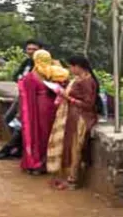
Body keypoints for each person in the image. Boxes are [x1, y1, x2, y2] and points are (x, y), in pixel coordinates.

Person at [47, 55, 102, 190]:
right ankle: (67, 177)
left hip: (81, 118)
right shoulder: (80, 79)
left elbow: (88, 104)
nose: (70, 69)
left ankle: (73, 179)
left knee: (75, 148)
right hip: (73, 116)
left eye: (71, 66)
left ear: (78, 66)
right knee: (69, 147)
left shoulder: (87, 81)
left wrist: (67, 97)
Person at [18, 49, 70, 175]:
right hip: (52, 105)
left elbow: (24, 91)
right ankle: (47, 162)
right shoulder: (55, 72)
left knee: (36, 133)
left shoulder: (31, 76)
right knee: (48, 134)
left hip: (37, 106)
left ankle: (35, 162)